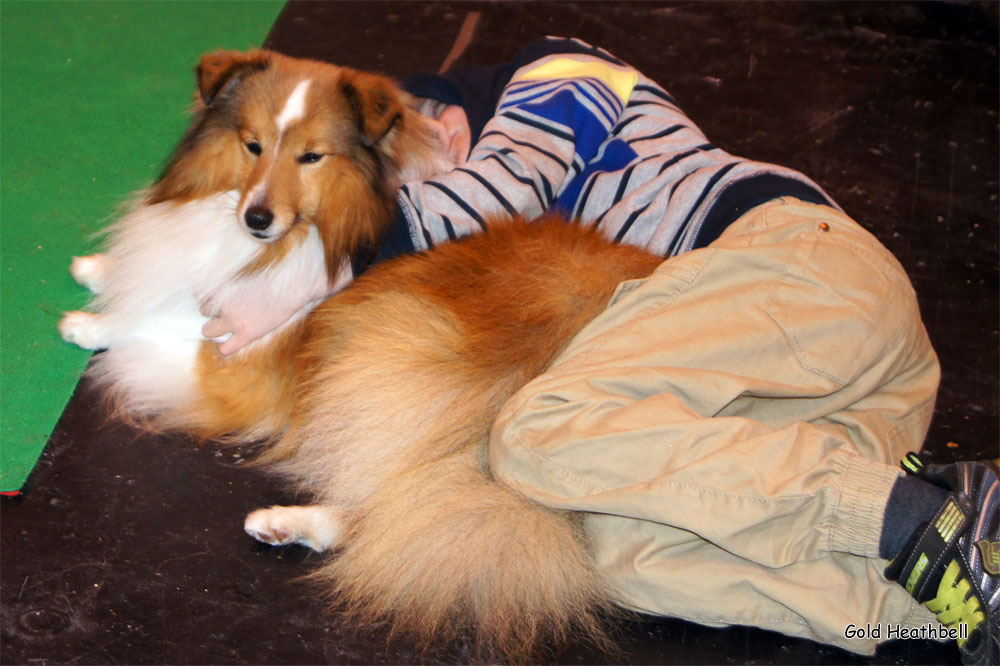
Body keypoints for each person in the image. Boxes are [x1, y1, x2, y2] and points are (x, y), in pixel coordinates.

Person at [204, 37, 998, 664]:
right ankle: (938, 603)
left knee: (545, 428)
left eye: (429, 147)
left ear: (444, 115)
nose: (433, 170)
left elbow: (501, 186)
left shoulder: (563, 74)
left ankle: (909, 517)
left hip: (805, 267)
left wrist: (304, 273)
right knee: (611, 551)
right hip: (802, 397)